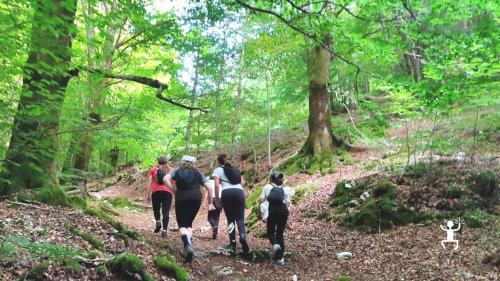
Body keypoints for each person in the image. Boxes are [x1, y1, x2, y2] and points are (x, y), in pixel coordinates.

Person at [164, 155, 214, 263]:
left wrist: (173, 190)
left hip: (181, 197)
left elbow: (165, 179)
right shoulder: (197, 172)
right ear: (193, 163)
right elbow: (209, 187)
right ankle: (189, 246)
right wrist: (210, 203)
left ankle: (186, 244)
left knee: (182, 224)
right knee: (189, 223)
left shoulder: (176, 171)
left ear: (182, 162)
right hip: (196, 197)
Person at [212, 154, 249, 254]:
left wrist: (216, 199)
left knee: (230, 219)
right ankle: (242, 236)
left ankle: (233, 243)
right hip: (239, 192)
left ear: (218, 162)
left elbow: (216, 185)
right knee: (240, 218)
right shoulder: (236, 169)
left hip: (226, 193)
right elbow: (243, 182)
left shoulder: (218, 170)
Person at [257, 171, 293, 266]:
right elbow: (288, 202)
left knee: (270, 232)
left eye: (281, 177)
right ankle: (280, 259)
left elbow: (261, 200)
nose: (280, 179)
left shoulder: (267, 187)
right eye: (279, 178)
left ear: (271, 179)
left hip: (272, 211)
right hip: (283, 211)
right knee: (280, 234)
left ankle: (276, 247)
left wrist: (260, 211)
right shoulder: (285, 189)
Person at [145, 156, 173, 235]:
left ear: (158, 161)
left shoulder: (153, 169)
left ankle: (158, 221)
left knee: (156, 209)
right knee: (166, 211)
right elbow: (174, 182)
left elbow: (149, 183)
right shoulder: (171, 170)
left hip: (156, 192)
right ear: (167, 161)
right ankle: (164, 231)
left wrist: (148, 194)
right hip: (168, 192)